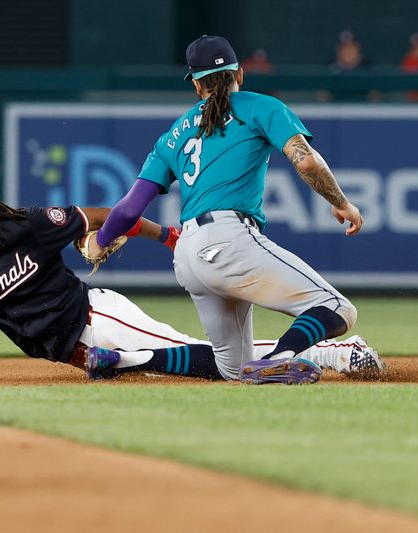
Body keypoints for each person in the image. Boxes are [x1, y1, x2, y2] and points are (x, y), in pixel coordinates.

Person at [0, 161, 383, 381]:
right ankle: (329, 351)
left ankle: (333, 352)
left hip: (98, 318)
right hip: (76, 351)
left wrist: (168, 235)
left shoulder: (29, 226)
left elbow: (110, 215)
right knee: (201, 359)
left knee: (220, 366)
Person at [88, 35, 367, 385]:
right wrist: (342, 204)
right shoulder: (260, 106)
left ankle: (119, 361)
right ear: (241, 73)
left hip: (189, 255)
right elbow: (307, 161)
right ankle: (280, 357)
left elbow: (129, 210)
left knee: (231, 368)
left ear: (195, 84)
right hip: (230, 239)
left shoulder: (173, 135)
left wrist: (101, 240)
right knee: (338, 308)